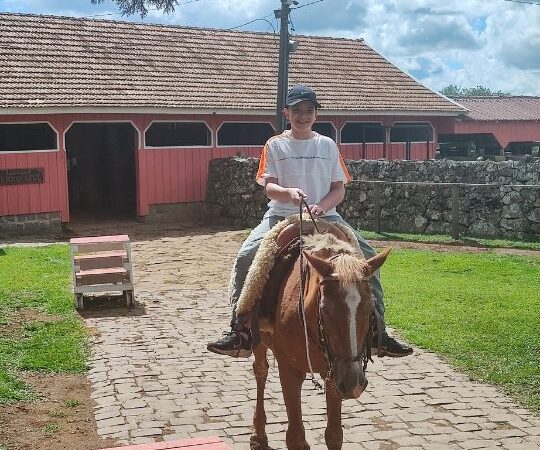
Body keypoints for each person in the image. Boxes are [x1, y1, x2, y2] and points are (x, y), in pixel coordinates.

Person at [207, 84, 412, 358]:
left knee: (368, 258)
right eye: (297, 111)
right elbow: (268, 186)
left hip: (326, 216)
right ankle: (240, 329)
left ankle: (379, 332)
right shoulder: (275, 144)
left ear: (316, 114)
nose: (302, 116)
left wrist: (321, 206)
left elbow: (338, 188)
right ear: (286, 113)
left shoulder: (327, 145)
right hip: (282, 215)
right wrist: (289, 193)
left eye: (308, 111)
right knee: (247, 256)